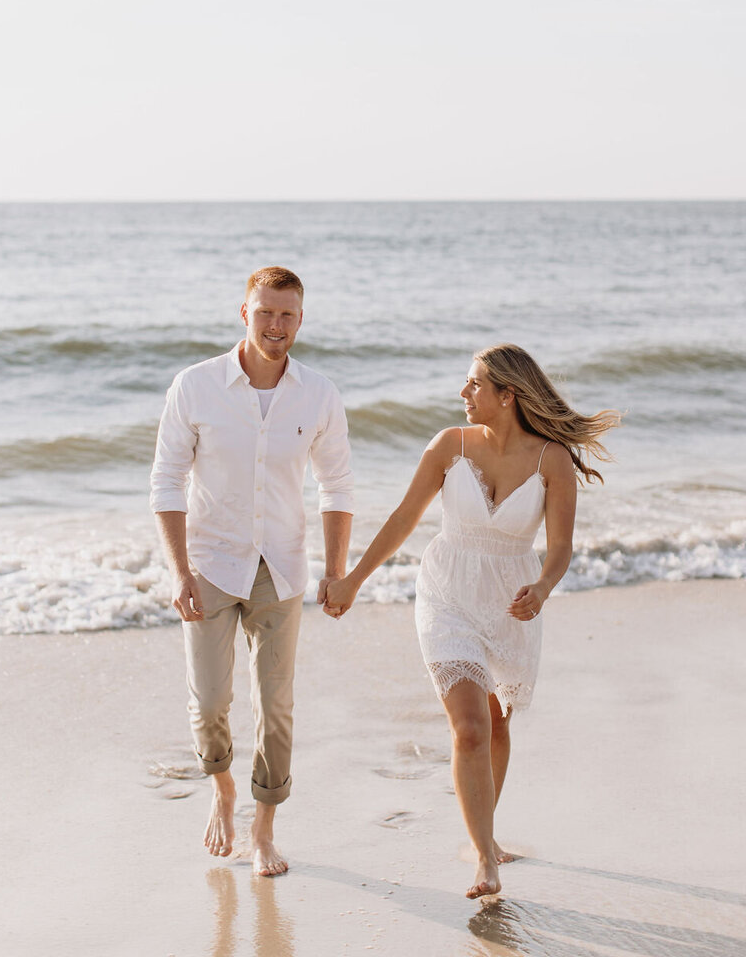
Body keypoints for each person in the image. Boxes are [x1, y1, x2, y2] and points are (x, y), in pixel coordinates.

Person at [323, 344, 619, 899]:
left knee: (497, 724)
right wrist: (353, 579)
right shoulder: (448, 446)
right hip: (447, 592)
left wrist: (544, 587)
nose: (463, 395)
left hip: (512, 600)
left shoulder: (550, 458)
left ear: (507, 395)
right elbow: (404, 518)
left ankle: (485, 830)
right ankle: (485, 857)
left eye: (473, 385)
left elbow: (560, 548)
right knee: (469, 726)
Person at [150, 266, 353, 877]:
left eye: (287, 314)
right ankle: (223, 789)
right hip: (210, 564)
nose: (276, 325)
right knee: (210, 702)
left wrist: (337, 569)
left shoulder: (318, 394)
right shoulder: (196, 386)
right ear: (244, 312)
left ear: (301, 319)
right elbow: (166, 479)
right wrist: (179, 570)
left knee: (275, 704)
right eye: (265, 312)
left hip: (282, 568)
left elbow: (336, 483)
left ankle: (264, 827)